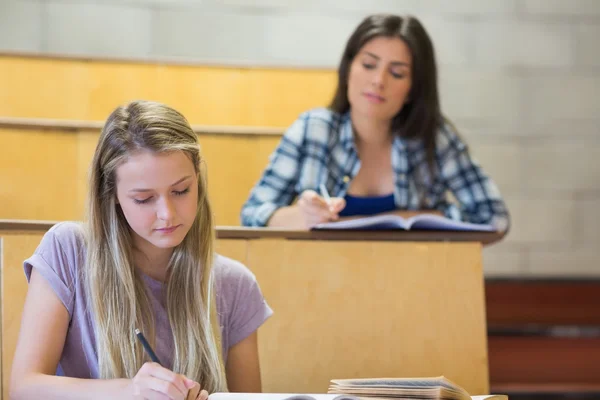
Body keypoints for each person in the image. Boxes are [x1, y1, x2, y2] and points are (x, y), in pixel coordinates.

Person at [10, 100, 273, 400]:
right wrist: (130, 391)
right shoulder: (67, 250)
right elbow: (24, 388)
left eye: (181, 190)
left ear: (197, 179)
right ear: (113, 196)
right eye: (144, 198)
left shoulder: (235, 284)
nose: (168, 214)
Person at [241, 14, 510, 232]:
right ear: (348, 70)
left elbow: (494, 217)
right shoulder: (314, 129)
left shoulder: (434, 137)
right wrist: (301, 216)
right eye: (369, 65)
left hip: (415, 282)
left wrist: (415, 217)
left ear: (413, 89)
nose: (379, 81)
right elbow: (252, 213)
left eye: (396, 73)